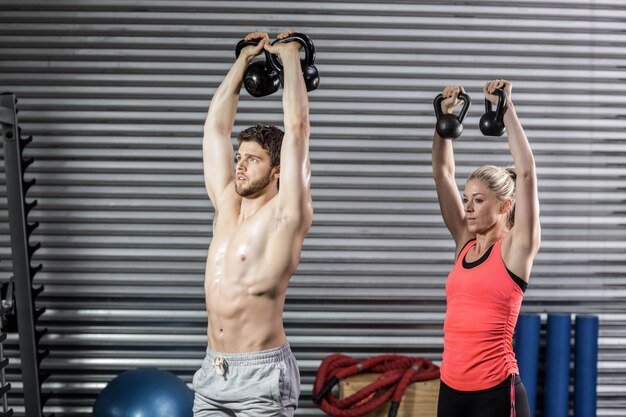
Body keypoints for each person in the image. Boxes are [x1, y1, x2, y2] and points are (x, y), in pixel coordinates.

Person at [192, 31, 313, 417]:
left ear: (277, 170)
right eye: (239, 157)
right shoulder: (226, 203)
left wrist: (290, 56)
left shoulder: (286, 213)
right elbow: (214, 130)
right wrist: (242, 59)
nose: (239, 165)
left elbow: (296, 130)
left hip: (262, 377)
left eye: (252, 159)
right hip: (212, 373)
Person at [431, 80, 540, 417]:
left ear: (506, 206)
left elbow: (526, 172)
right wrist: (443, 123)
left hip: (494, 394)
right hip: (450, 390)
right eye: (467, 200)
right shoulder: (465, 243)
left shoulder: (516, 249)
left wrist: (506, 110)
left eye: (479, 201)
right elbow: (442, 171)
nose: (469, 208)